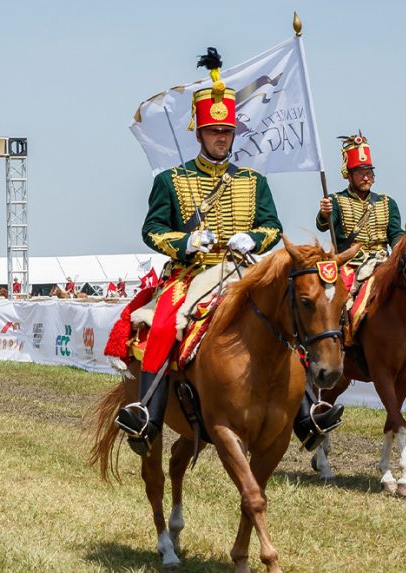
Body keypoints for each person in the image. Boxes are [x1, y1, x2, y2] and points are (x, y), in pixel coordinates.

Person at [114, 48, 290, 456]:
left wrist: (256, 240)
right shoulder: (171, 181)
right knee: (161, 327)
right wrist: (186, 242)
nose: (221, 138)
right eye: (214, 132)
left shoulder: (253, 181)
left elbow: (272, 227)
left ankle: (307, 411)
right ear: (199, 134)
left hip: (244, 269)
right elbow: (151, 230)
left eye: (227, 132)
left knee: (292, 315)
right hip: (192, 274)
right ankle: (147, 415)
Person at [316, 132, 406, 376]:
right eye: (360, 172)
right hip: (351, 263)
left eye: (369, 171)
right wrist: (324, 213)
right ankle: (341, 345)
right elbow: (323, 225)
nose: (366, 176)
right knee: (341, 301)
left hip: (382, 261)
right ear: (348, 175)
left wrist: (405, 252)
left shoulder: (387, 203)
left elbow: (395, 237)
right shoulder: (336, 200)